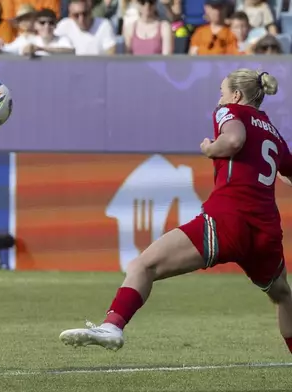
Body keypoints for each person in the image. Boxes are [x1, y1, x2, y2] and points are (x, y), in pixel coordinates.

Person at [59, 69, 292, 354]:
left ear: (236, 95)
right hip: (265, 229)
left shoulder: (229, 111)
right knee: (282, 295)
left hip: (228, 219)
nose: (219, 98)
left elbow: (233, 141)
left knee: (144, 266)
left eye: (221, 92)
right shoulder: (273, 132)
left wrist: (211, 148)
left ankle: (112, 326)